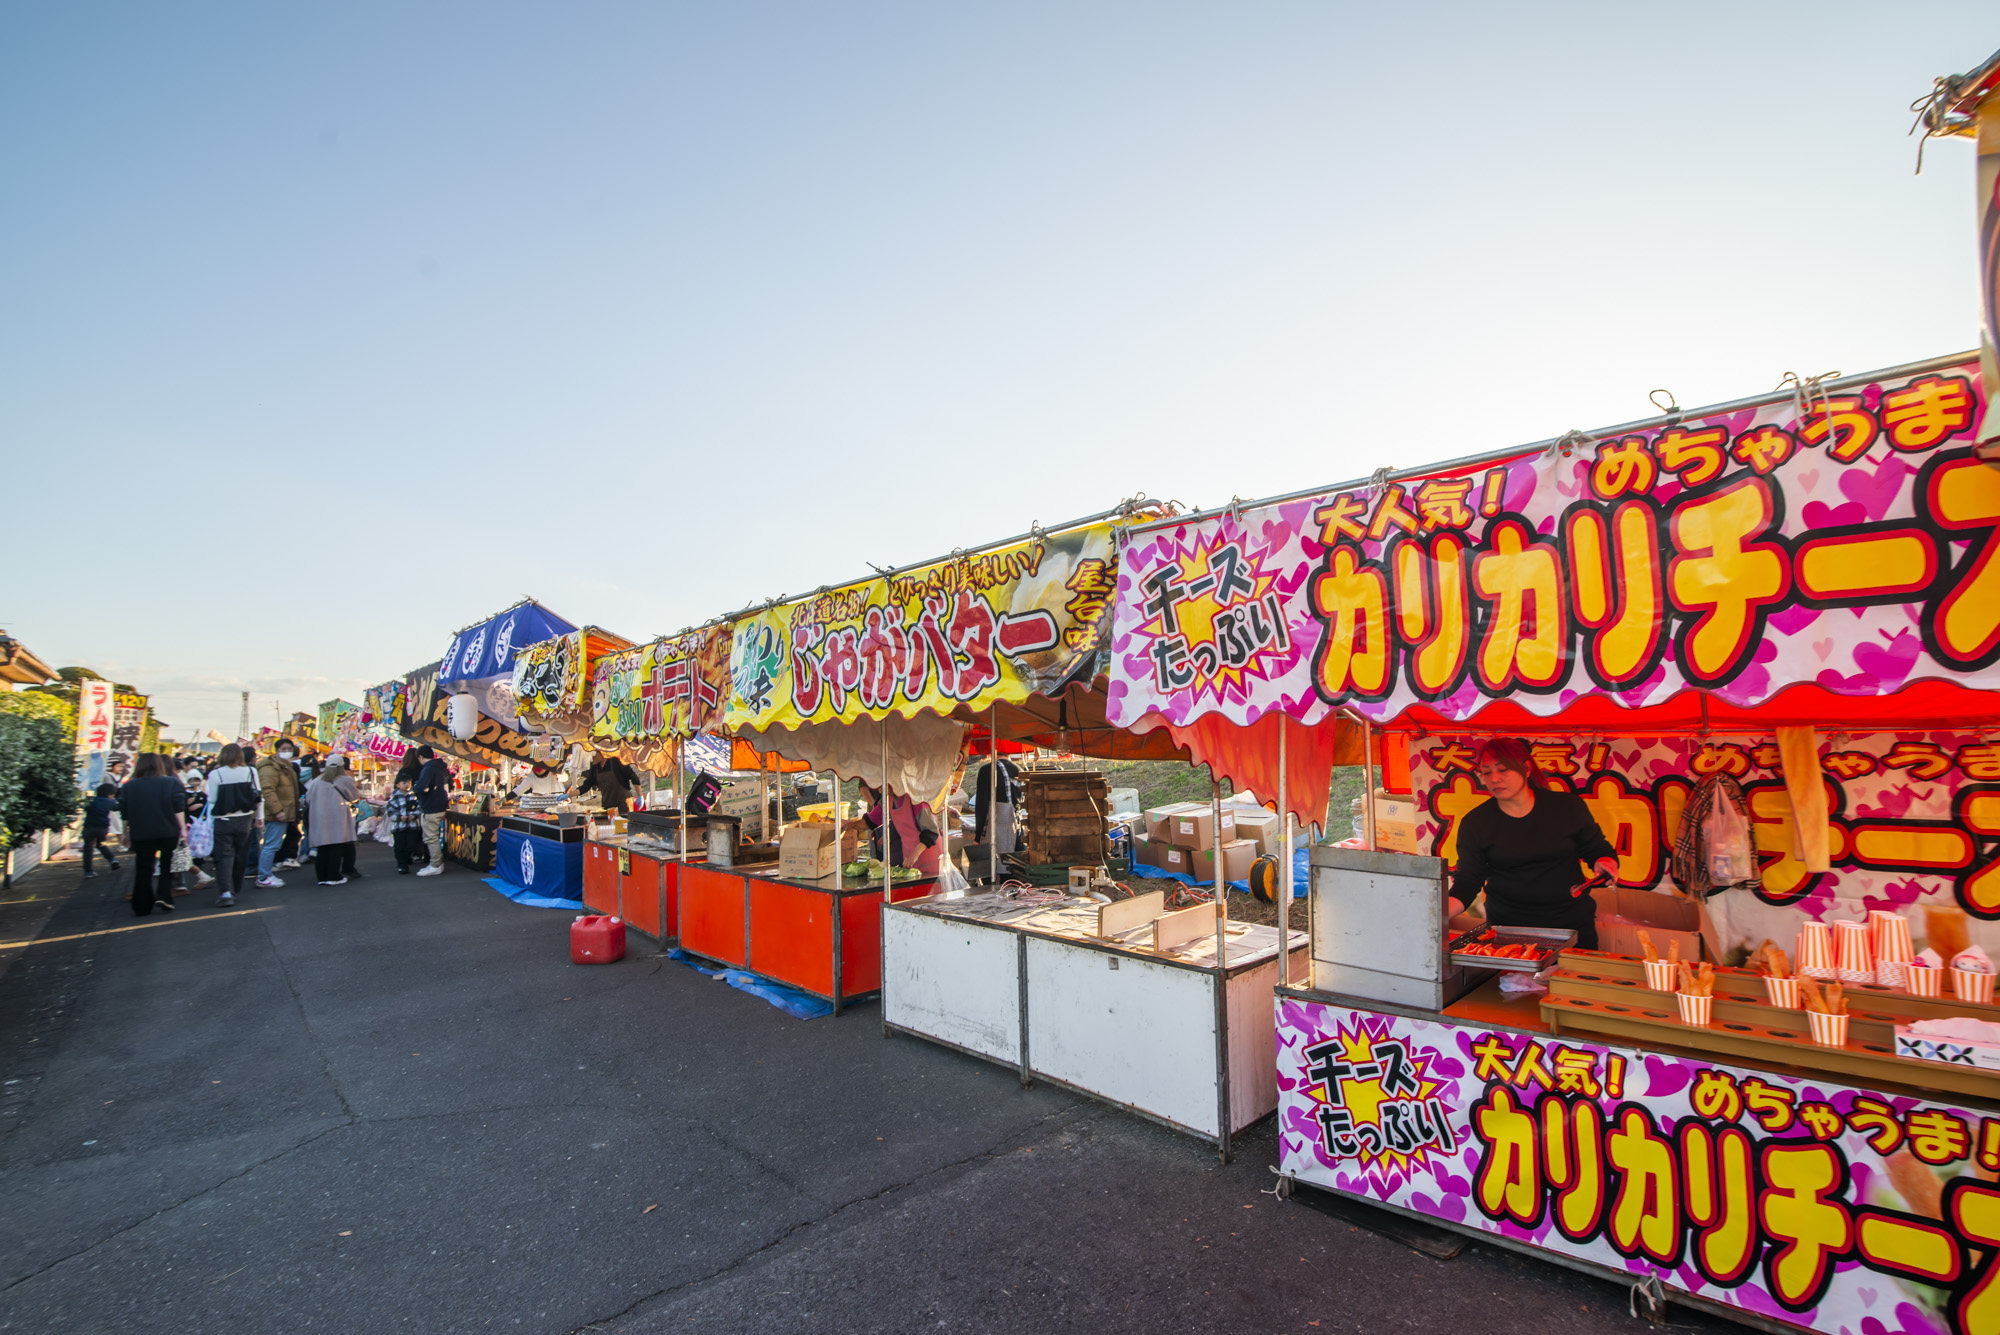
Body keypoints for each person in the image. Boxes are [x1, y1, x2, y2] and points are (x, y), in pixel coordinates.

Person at [1447, 737, 1620, 950]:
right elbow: (1467, 883)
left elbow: (1597, 849)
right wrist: (1435, 915)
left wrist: (1605, 861)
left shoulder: (1567, 807)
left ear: (1526, 768)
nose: (1494, 778)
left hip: (1572, 926)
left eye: (1502, 770)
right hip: (1509, 932)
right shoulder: (1476, 823)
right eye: (1486, 772)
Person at [118, 754, 185, 916]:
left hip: (141, 832)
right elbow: (178, 807)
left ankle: (142, 905)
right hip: (168, 830)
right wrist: (183, 829)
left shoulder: (129, 786)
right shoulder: (172, 782)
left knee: (143, 868)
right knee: (167, 865)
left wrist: (125, 833)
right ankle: (164, 896)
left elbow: (124, 813)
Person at [204, 744, 262, 907]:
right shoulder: (250, 771)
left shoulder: (215, 774)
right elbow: (259, 797)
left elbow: (212, 799)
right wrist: (260, 817)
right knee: (240, 855)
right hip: (244, 819)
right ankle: (236, 888)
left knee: (224, 856)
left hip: (222, 820)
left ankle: (226, 892)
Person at [858, 781, 941, 877]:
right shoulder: (890, 799)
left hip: (929, 858)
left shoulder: (917, 799)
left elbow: (931, 831)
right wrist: (848, 824)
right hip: (910, 860)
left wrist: (914, 854)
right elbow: (871, 820)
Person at [306, 756, 361, 885]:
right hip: (338, 817)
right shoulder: (346, 780)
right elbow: (354, 797)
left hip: (319, 817)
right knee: (337, 846)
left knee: (323, 848)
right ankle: (333, 876)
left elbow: (308, 799)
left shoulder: (316, 781)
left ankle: (322, 878)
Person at [256, 741, 302, 888]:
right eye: (284, 749)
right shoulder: (270, 768)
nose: (287, 751)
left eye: (289, 749)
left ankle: (265, 874)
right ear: (276, 750)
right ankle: (264, 876)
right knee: (271, 845)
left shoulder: (285, 766)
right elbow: (267, 790)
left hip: (284, 810)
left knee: (271, 844)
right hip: (277, 812)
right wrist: (278, 810)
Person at [971, 754, 1022, 855]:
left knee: (997, 861)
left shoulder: (987, 770)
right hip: (1018, 829)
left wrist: (978, 836)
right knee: (1015, 861)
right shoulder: (1020, 770)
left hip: (996, 830)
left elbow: (981, 805)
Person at [412, 745, 451, 876]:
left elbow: (420, 787)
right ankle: (436, 864)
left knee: (431, 838)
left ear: (420, 757)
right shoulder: (442, 768)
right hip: (441, 805)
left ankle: (436, 864)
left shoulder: (428, 769)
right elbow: (451, 785)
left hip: (431, 807)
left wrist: (416, 787)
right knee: (434, 837)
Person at [386, 774, 424, 873]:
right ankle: (402, 865)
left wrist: (414, 815)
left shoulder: (414, 796)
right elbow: (390, 812)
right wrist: (399, 817)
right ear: (397, 785)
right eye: (404, 783)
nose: (407, 784)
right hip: (398, 827)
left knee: (412, 845)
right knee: (399, 846)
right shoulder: (393, 798)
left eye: (408, 783)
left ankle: (404, 859)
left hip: (412, 826)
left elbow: (420, 808)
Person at [80, 783, 121, 877]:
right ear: (109, 794)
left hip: (88, 827)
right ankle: (112, 859)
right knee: (101, 844)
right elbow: (117, 808)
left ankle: (88, 871)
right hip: (102, 828)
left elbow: (85, 808)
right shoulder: (110, 802)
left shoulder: (90, 800)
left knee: (88, 848)